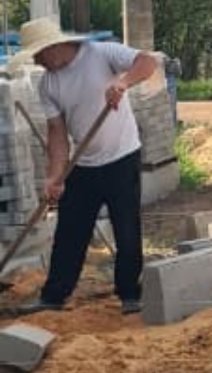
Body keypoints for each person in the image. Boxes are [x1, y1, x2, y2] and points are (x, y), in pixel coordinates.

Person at [11, 18, 158, 315]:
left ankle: (130, 294)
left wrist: (122, 82)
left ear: (53, 47)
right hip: (84, 163)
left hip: (122, 157)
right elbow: (57, 133)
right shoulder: (48, 84)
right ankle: (54, 296)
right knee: (69, 231)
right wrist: (55, 176)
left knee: (127, 229)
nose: (37, 62)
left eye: (38, 55)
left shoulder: (101, 54)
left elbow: (148, 62)